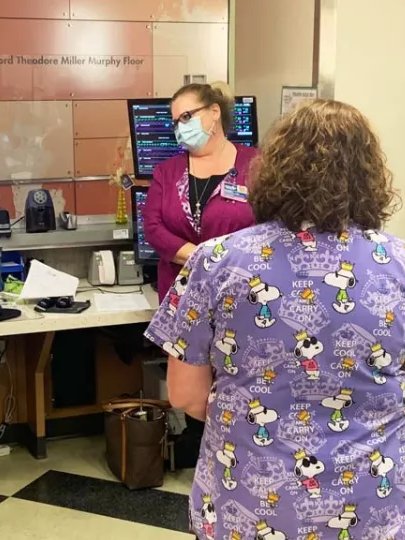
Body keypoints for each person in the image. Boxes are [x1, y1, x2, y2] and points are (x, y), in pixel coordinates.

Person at [145, 99, 405, 540]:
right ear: (368, 175)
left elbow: (185, 396)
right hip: (373, 512)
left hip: (247, 511)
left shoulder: (216, 263)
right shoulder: (403, 264)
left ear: (273, 171)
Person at [143, 82, 258, 466]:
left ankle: (240, 451)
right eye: (176, 121)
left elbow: (269, 226)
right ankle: (201, 459)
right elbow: (155, 229)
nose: (180, 127)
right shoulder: (167, 171)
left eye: (187, 116)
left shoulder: (256, 166)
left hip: (244, 299)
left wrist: (221, 262)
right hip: (183, 296)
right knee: (190, 385)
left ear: (214, 113)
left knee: (237, 379)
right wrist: (203, 257)